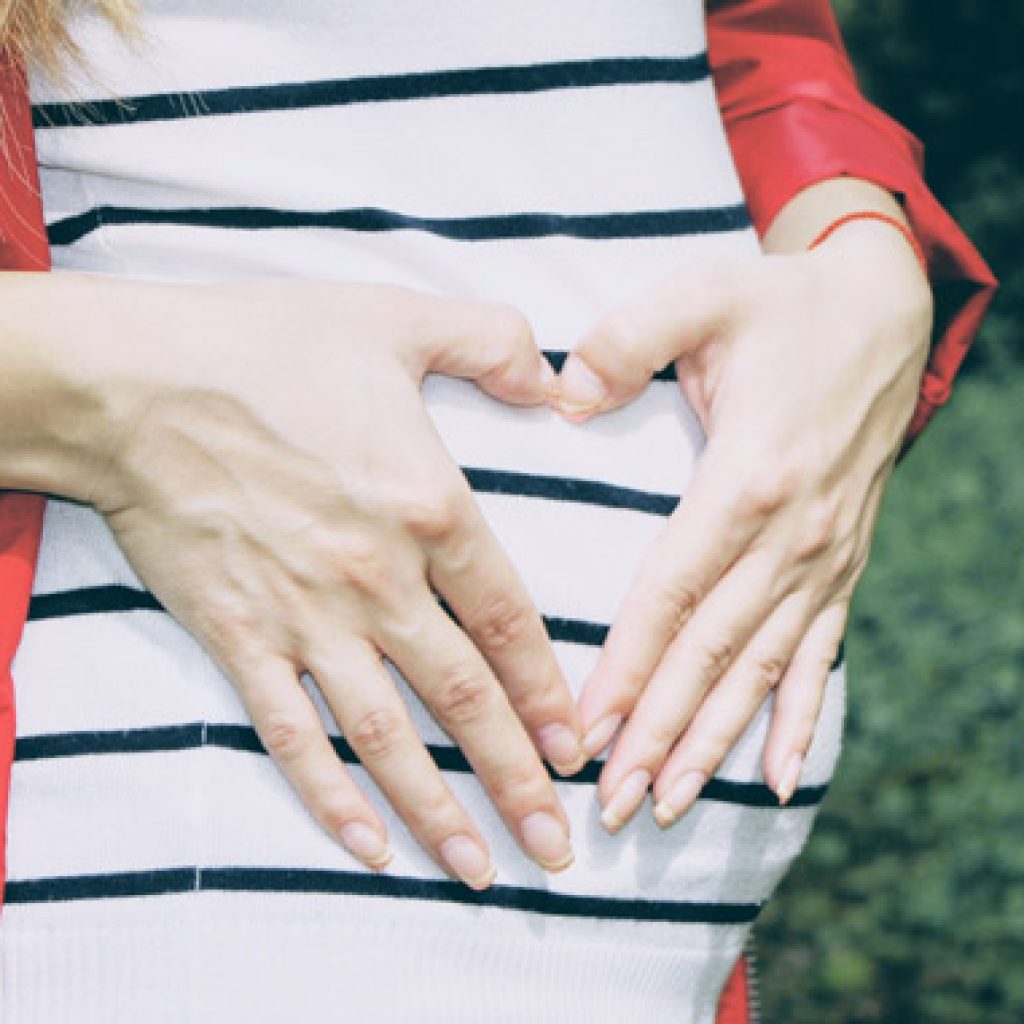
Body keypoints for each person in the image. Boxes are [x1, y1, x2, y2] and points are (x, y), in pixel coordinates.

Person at [0, 2, 995, 1021]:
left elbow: (735, 38)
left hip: (644, 948)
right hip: (196, 829)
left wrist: (856, 245)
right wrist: (119, 389)